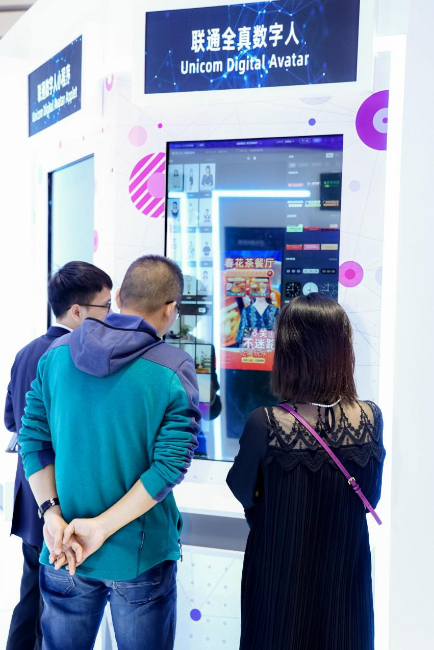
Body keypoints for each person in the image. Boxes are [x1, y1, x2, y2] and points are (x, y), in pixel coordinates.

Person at [19, 255, 200, 650]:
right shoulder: (174, 368)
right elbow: (169, 466)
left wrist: (51, 515)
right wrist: (100, 528)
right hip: (139, 553)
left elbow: (31, 440)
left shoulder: (56, 355)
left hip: (64, 546)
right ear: (171, 309)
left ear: (118, 298)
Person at [227, 294, 385, 650]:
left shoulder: (265, 423)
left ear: (287, 352)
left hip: (279, 579)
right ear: (344, 350)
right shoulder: (370, 418)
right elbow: (369, 496)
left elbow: (242, 489)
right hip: (344, 578)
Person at [4, 261, 113, 650]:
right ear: (78, 311)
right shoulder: (72, 356)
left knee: (30, 598)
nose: (111, 315)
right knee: (51, 612)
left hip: (30, 496)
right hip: (60, 499)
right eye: (106, 306)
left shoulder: (25, 352)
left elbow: (11, 420)